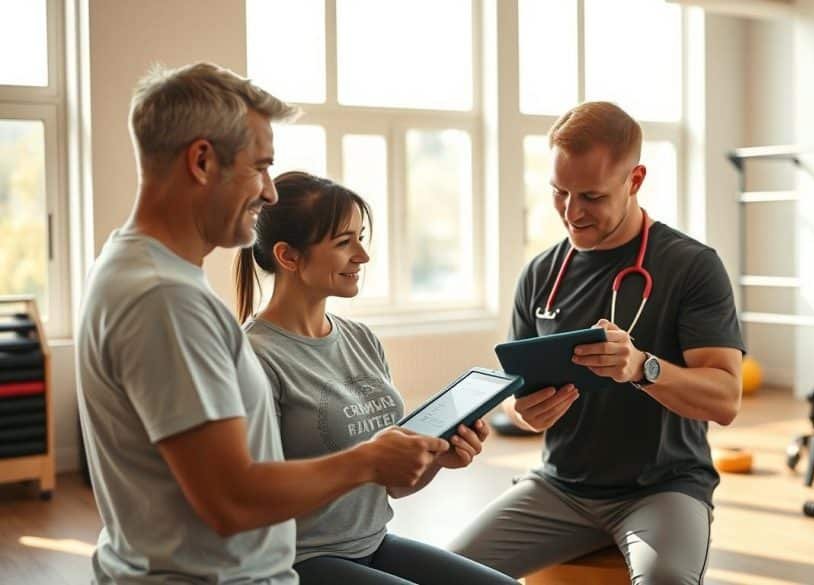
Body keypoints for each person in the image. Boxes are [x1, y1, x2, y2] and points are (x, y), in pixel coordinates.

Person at [76, 62, 448, 584]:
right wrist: (367, 461)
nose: (270, 193)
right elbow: (230, 498)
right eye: (260, 167)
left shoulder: (142, 273)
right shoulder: (164, 299)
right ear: (202, 161)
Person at [450, 101, 745, 585]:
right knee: (444, 575)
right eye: (559, 192)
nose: (571, 213)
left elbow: (726, 399)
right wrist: (529, 413)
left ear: (635, 179)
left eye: (590, 196)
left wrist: (642, 367)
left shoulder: (691, 266)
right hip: (559, 488)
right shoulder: (541, 274)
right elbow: (520, 402)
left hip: (664, 489)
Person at [234, 170, 519, 585]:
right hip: (295, 562)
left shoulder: (362, 340)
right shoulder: (254, 357)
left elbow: (392, 486)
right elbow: (252, 499)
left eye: (360, 237)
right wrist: (366, 462)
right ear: (288, 256)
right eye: (343, 242)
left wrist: (437, 459)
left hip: (372, 544)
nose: (362, 256)